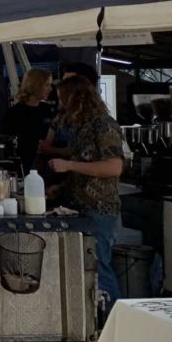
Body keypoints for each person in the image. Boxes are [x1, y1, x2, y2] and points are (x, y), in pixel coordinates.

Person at [49, 76, 124, 319]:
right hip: (78, 208)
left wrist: (69, 165)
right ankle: (92, 323)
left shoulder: (105, 126)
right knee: (86, 269)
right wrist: (62, 187)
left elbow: (114, 167)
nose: (60, 105)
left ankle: (113, 324)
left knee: (100, 268)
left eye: (63, 100)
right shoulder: (82, 128)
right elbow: (85, 163)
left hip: (99, 210)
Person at [37, 60, 100, 165]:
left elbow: (88, 153)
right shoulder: (60, 116)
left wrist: (56, 151)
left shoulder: (99, 121)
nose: (63, 87)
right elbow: (45, 147)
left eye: (68, 82)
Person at [1, 67, 54, 173]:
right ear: (36, 85)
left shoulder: (47, 110)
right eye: (47, 85)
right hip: (22, 168)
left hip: (45, 167)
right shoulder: (14, 113)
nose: (50, 89)